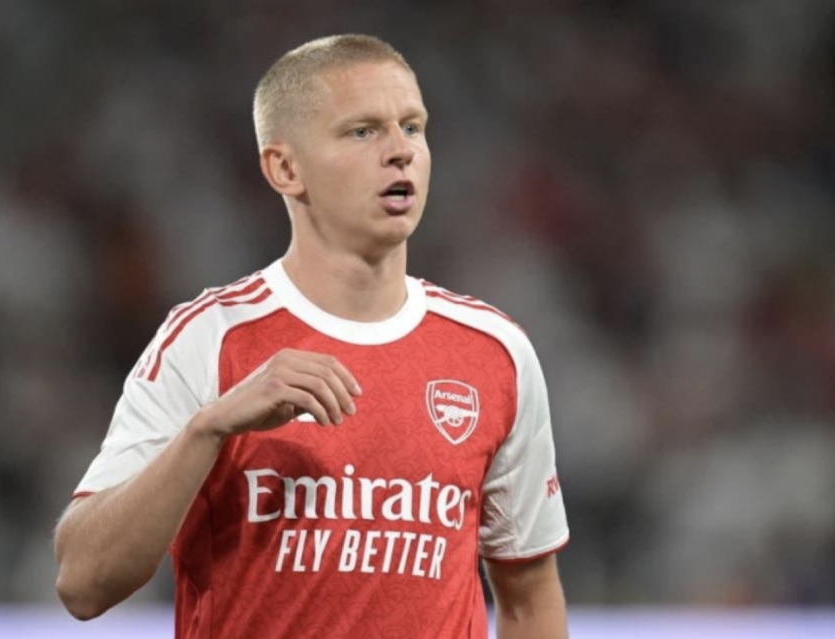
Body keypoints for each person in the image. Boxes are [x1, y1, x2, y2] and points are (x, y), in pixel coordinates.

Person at [54, 34, 570, 639]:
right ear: (285, 168)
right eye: (363, 132)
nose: (401, 151)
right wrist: (208, 429)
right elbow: (82, 583)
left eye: (413, 127)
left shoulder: (495, 352)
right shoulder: (209, 339)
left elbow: (529, 599)